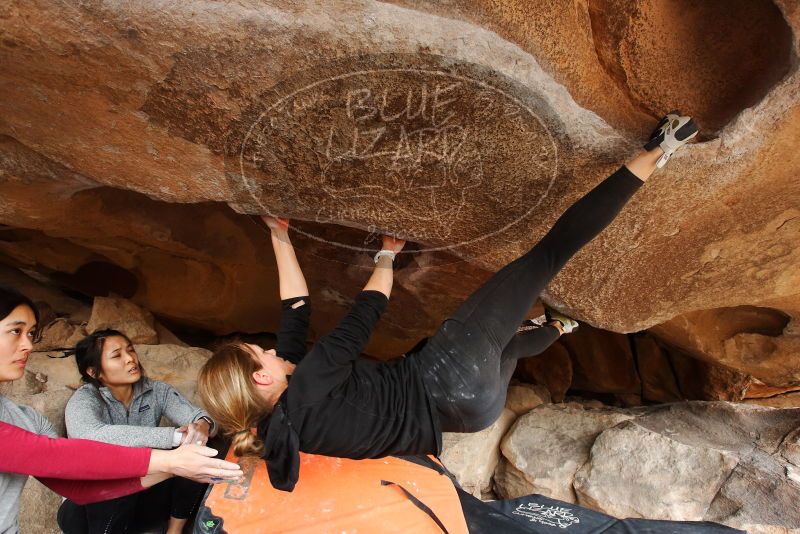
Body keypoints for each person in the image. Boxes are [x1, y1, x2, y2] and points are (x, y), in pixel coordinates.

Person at [198, 113, 699, 491]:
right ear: (262, 378)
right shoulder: (310, 380)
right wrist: (386, 256)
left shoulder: (284, 424)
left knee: (505, 349)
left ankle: (560, 327)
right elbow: (364, 314)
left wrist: (280, 237)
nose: (267, 351)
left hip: (469, 414)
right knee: (545, 256)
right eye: (257, 354)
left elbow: (295, 315)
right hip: (448, 375)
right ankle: (656, 152)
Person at [0, 286, 243, 534]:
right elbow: (82, 442)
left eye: (31, 334)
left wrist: (181, 457)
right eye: (16, 331)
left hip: (134, 496)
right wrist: (173, 446)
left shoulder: (26, 420)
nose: (28, 345)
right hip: (91, 517)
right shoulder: (86, 399)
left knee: (199, 455)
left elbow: (80, 489)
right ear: (94, 372)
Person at [58, 330, 218, 534]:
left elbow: (201, 418)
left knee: (200, 448)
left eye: (130, 350)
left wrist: (202, 426)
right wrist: (174, 436)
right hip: (87, 510)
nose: (130, 359)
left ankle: (174, 531)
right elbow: (90, 435)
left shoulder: (156, 391)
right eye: (117, 355)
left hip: (143, 496)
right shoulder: (85, 399)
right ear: (94, 372)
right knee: (111, 478)